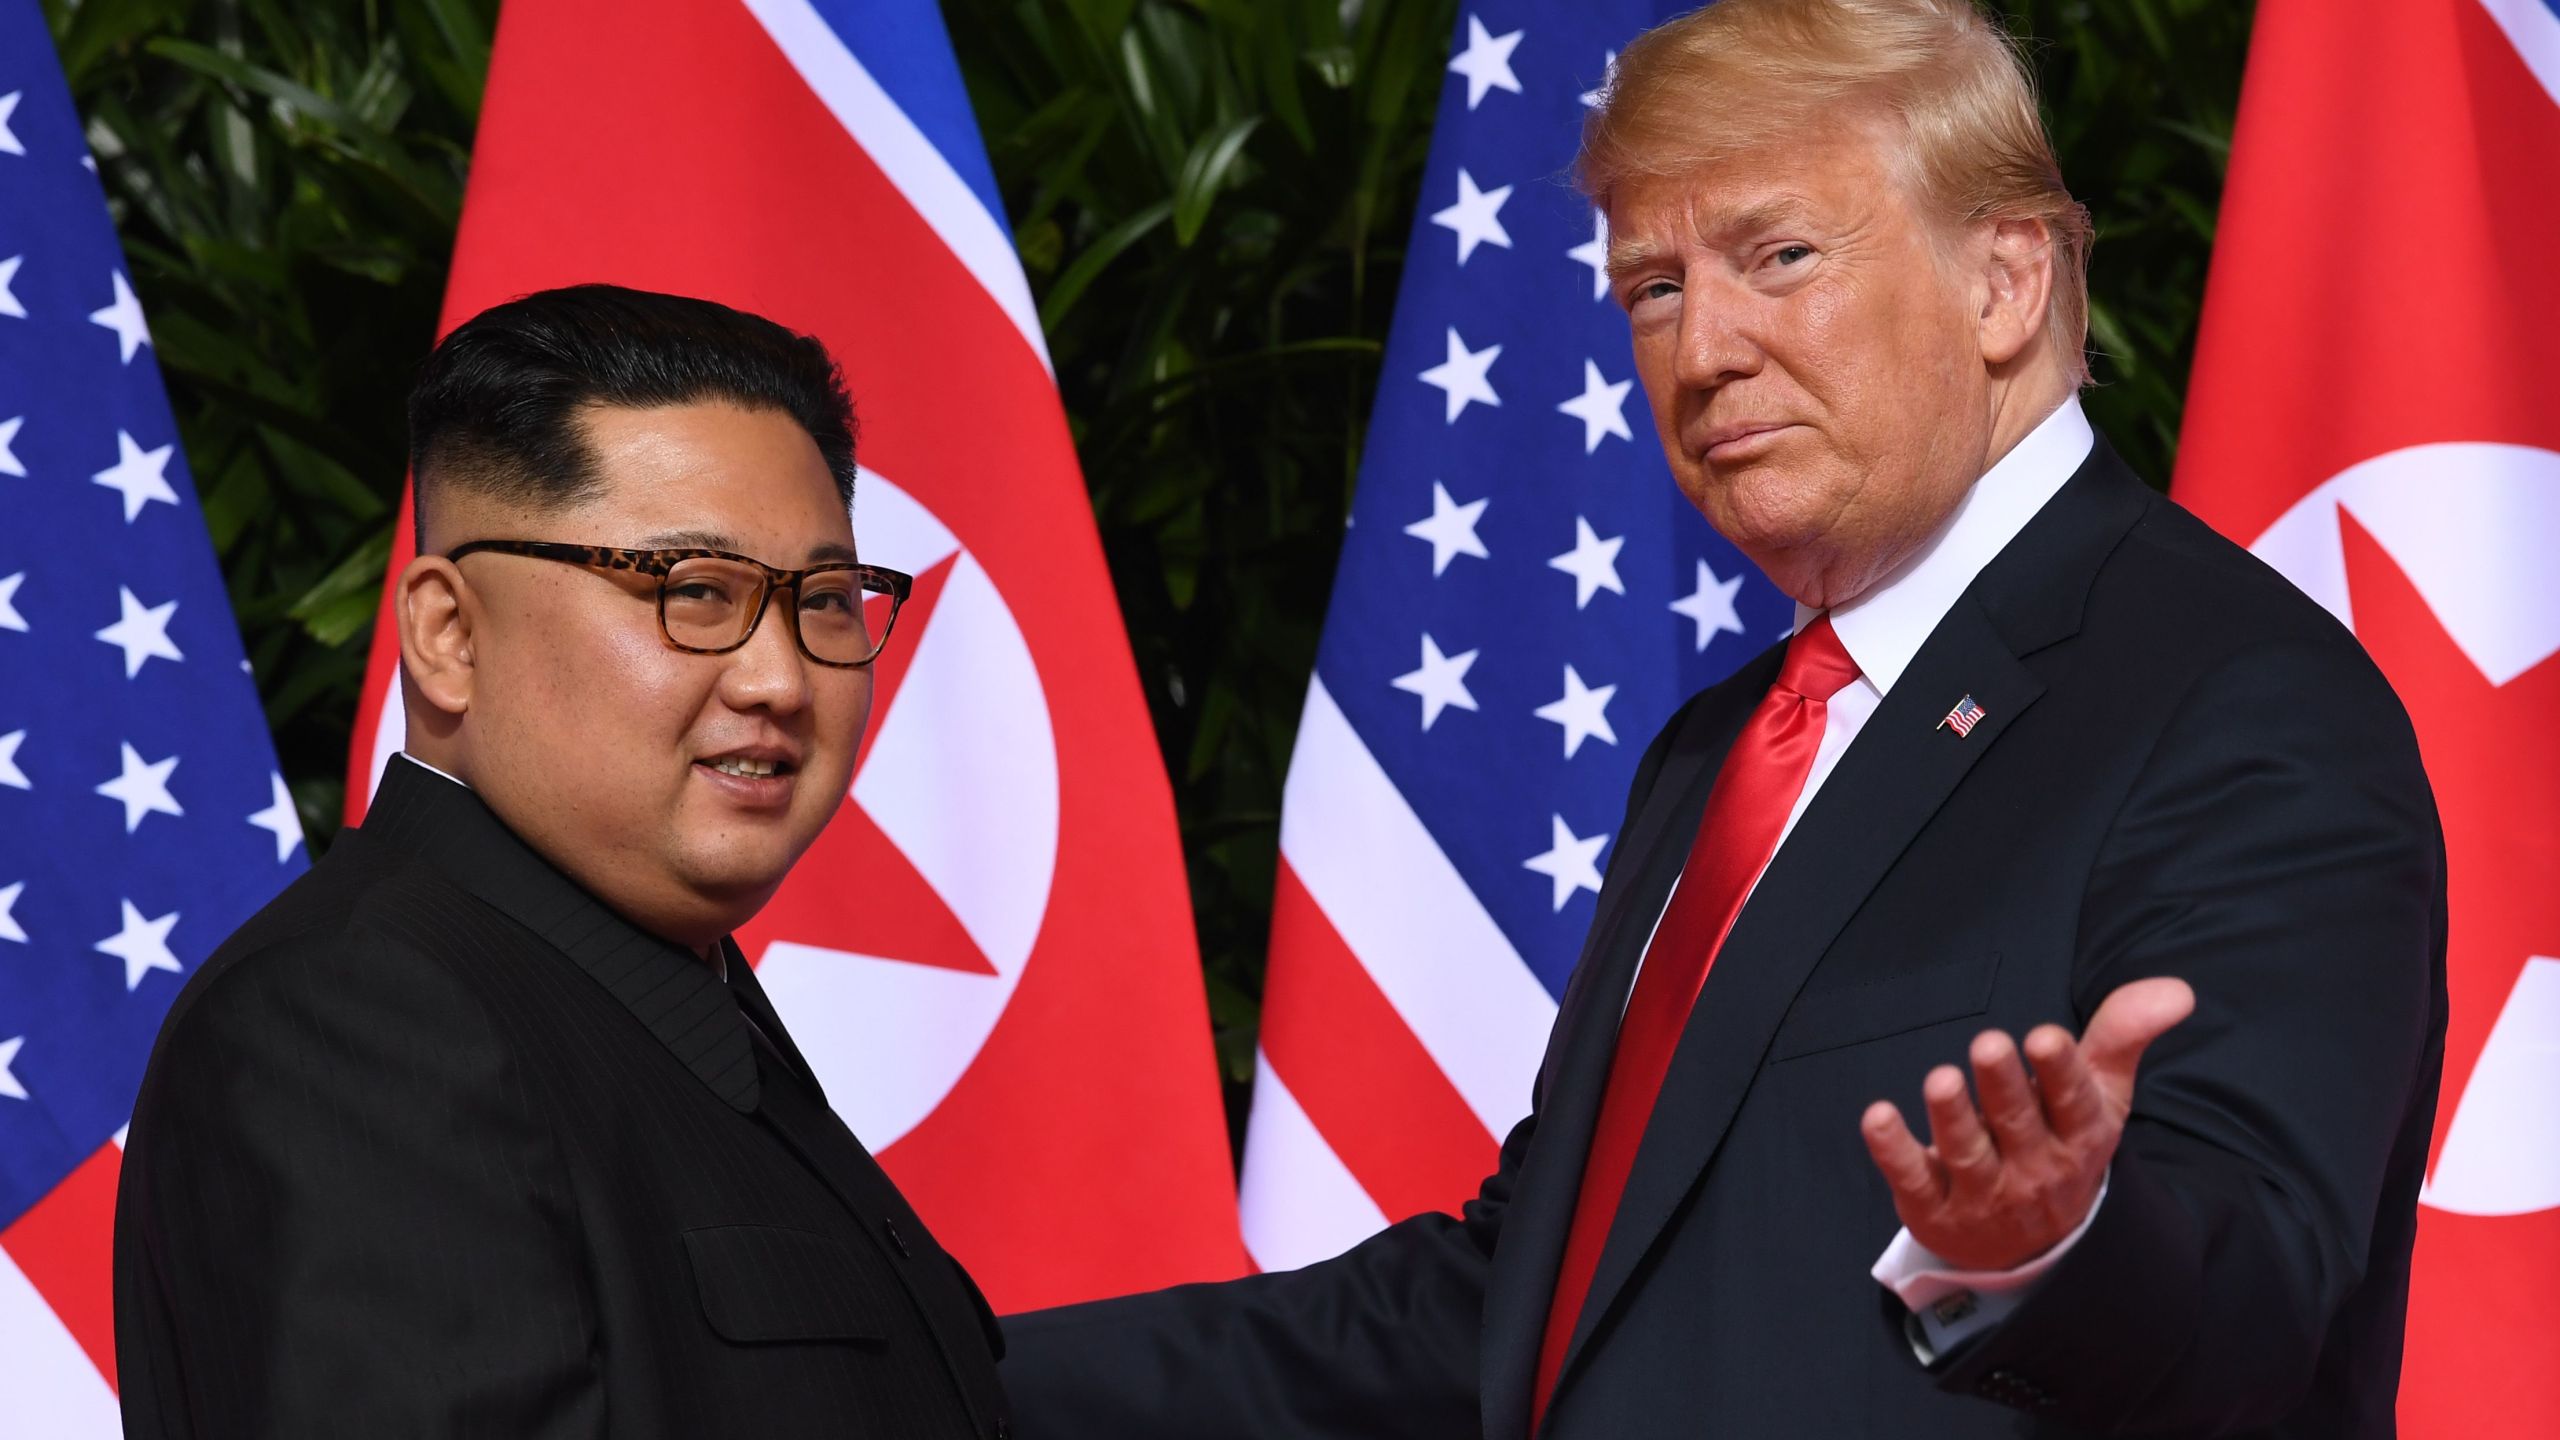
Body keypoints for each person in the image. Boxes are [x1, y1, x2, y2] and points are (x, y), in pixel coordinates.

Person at [1001, 2, 2445, 1436]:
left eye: (1781, 257)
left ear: (2005, 281)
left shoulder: (2239, 701)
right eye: (1654, 290)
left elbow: (2259, 1297)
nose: (1702, 355)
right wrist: (932, 1375)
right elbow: (1533, 1304)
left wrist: (2052, 1250)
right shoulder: (1720, 750)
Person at [113, 284, 1012, 1439]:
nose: (781, 680)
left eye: (826, 602)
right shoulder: (354, 1020)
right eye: (695, 593)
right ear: (449, 634)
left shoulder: (654, 990)